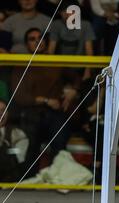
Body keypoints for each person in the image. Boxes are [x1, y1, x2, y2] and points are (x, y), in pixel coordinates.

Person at [10, 28, 70, 177]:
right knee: (30, 137)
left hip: (55, 113)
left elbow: (76, 78)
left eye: (41, 37)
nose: (37, 41)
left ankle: (57, 177)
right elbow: (20, 96)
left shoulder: (56, 61)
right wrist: (46, 100)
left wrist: (73, 90)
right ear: (26, 44)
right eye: (32, 38)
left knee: (60, 136)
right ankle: (29, 180)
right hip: (31, 112)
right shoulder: (22, 64)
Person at [0, 99, 29, 182]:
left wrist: (8, 150)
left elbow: (20, 155)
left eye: (3, 110)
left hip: (9, 180)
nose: (0, 114)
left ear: (7, 113)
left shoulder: (17, 133)